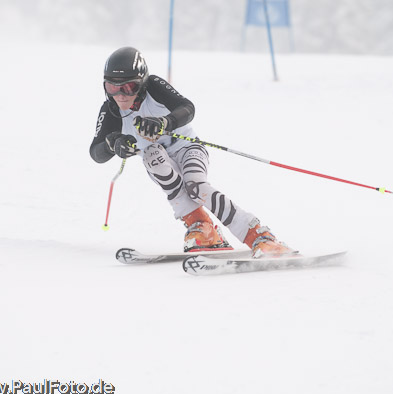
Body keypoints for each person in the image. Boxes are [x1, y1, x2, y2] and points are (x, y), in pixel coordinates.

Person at [89, 47, 295, 258]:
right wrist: (112, 144)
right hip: (157, 158)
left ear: (141, 84)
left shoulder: (154, 86)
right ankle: (203, 228)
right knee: (153, 156)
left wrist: (165, 122)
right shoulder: (111, 110)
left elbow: (187, 107)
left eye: (129, 87)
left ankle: (259, 236)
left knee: (196, 186)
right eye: (112, 87)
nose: (120, 95)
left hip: (188, 149)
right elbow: (95, 152)